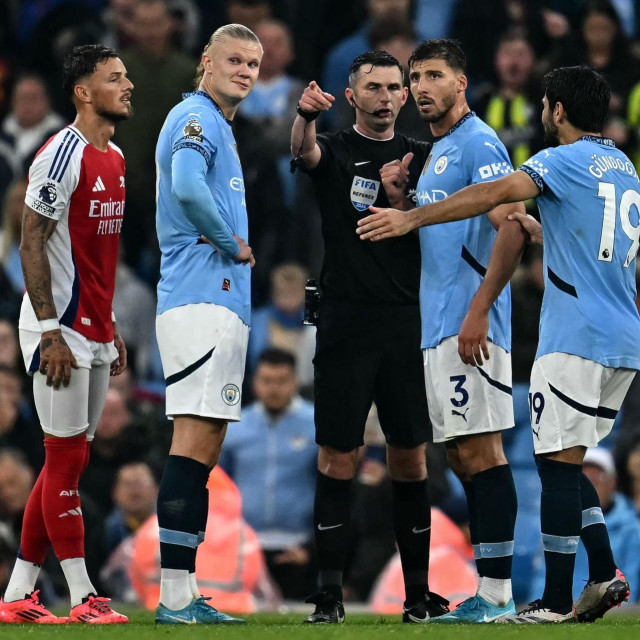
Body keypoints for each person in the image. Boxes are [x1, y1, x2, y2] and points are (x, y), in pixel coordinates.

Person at [358, 64, 639, 624]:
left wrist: (412, 217)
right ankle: (603, 572)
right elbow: (575, 228)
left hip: (576, 335)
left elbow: (494, 194)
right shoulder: (623, 167)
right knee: (569, 460)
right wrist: (543, 231)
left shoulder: (561, 159)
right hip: (622, 334)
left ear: (556, 111)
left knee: (554, 467)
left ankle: (557, 601)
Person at [358, 39, 528, 624]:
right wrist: (406, 199)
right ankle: (493, 587)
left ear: (462, 82)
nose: (422, 87)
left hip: (466, 325)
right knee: (463, 454)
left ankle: (498, 594)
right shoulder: (440, 150)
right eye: (415, 76)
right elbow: (444, 233)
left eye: (434, 75)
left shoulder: (480, 143)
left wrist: (479, 310)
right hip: (441, 325)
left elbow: (513, 226)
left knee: (482, 452)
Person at [291, 50, 449, 624]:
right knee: (338, 456)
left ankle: (417, 596)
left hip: (408, 320)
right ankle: (328, 597)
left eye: (393, 87)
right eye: (373, 87)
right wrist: (305, 116)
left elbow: (434, 231)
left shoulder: (425, 157)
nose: (385, 96)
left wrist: (403, 198)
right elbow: (301, 153)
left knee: (410, 460)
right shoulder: (333, 148)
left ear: (404, 96)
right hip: (345, 319)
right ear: (351, 95)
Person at [0, 44, 132, 624]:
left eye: (126, 76)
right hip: (59, 330)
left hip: (95, 328)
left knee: (67, 463)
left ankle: (16, 595)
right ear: (83, 91)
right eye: (114, 78)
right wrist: (51, 331)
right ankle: (82, 595)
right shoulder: (61, 156)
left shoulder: (117, 156)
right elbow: (30, 241)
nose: (127, 86)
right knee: (64, 457)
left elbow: (97, 257)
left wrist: (112, 326)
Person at [153, 23, 261, 625]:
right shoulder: (193, 117)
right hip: (200, 298)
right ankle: (173, 595)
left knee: (205, 445)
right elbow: (189, 187)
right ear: (206, 61)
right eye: (234, 60)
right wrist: (231, 241)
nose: (244, 71)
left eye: (252, 63)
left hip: (216, 303)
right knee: (192, 443)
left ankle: (184, 590)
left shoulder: (217, 124)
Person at [219, 348, 317, 600]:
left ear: (296, 381)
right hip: (244, 546)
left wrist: (313, 547)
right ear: (254, 382)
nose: (274, 389)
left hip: (298, 546)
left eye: (282, 381)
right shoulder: (235, 425)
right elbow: (220, 488)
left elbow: (331, 491)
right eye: (266, 381)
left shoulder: (316, 423)